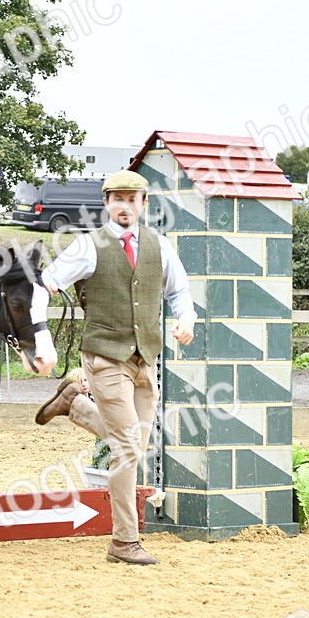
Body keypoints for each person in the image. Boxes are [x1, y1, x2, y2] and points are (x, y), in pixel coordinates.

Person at [34, 169, 196, 566]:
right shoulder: (89, 246)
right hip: (104, 358)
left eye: (132, 199)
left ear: (144, 204)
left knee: (135, 444)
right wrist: (42, 339)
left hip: (146, 360)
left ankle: (75, 405)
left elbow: (179, 290)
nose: (124, 206)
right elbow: (45, 283)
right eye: (116, 199)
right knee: (127, 450)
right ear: (106, 204)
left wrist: (186, 318)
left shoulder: (160, 246)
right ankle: (124, 540)